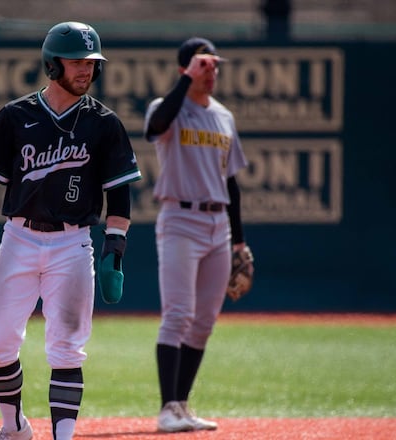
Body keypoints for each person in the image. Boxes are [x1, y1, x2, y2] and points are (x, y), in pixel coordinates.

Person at [0, 21, 141, 440]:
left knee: (67, 347)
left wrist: (115, 251)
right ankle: (14, 427)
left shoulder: (104, 123)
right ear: (51, 64)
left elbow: (120, 195)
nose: (86, 70)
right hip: (19, 237)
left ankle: (63, 437)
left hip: (72, 243)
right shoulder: (15, 116)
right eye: (77, 61)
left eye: (91, 63)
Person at [143, 37, 252, 432]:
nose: (211, 72)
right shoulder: (167, 109)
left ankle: (182, 406)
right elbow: (155, 127)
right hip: (180, 220)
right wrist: (186, 80)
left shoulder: (223, 116)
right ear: (184, 69)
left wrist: (239, 241)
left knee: (204, 321)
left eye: (214, 66)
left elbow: (232, 183)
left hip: (217, 225)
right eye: (202, 65)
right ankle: (166, 408)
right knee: (178, 315)